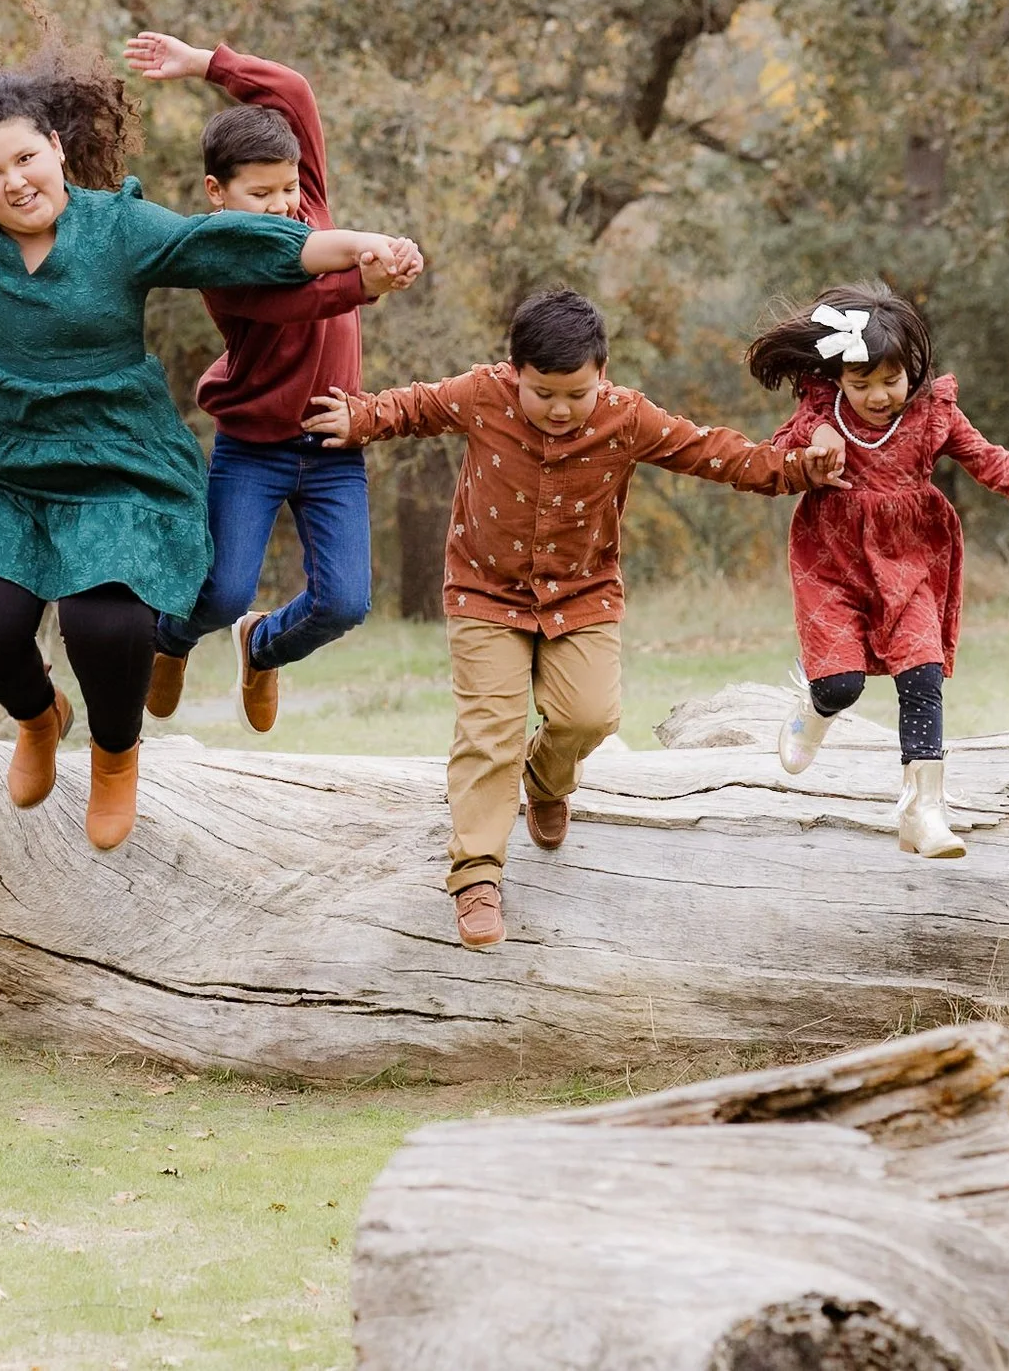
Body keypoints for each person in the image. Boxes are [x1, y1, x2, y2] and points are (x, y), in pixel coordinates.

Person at [0, 0, 426, 850]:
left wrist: (359, 247)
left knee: (111, 622)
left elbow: (237, 242)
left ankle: (114, 754)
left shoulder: (122, 229)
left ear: (58, 149)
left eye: (26, 158)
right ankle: (37, 715)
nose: (13, 181)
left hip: (111, 458)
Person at [305, 289, 845, 949]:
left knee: (591, 716)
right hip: (484, 592)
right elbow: (414, 406)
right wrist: (359, 417)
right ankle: (476, 874)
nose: (560, 410)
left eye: (576, 394)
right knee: (489, 730)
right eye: (543, 393)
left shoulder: (626, 416)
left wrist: (795, 469)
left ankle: (546, 778)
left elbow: (713, 452)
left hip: (582, 596)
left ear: (602, 373)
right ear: (514, 373)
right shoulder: (481, 395)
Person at [122, 30, 415, 733]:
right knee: (220, 592)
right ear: (216, 194)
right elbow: (298, 299)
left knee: (344, 604)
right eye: (263, 193)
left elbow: (294, 93)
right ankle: (170, 637)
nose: (285, 204)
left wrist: (203, 64)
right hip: (253, 446)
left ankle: (262, 644)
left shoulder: (303, 199)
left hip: (335, 441)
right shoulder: (216, 256)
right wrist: (367, 282)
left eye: (290, 187)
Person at [750, 283, 1009, 859]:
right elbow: (777, 454)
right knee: (841, 684)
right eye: (862, 384)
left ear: (913, 369)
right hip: (832, 563)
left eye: (890, 380)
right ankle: (816, 704)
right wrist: (812, 448)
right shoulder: (819, 414)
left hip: (910, 561)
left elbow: (987, 457)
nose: (878, 395)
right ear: (839, 378)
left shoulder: (933, 415)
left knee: (923, 677)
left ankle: (922, 811)